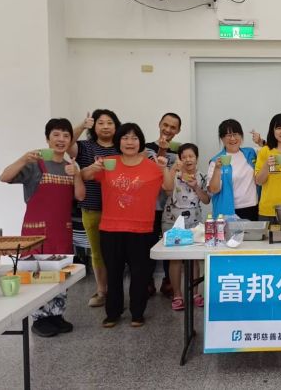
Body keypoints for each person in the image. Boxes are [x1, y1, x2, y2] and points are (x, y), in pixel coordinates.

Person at [0, 118, 86, 338]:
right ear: (47, 139)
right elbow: (4, 177)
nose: (61, 139)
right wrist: (23, 158)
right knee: (36, 274)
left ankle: (56, 315)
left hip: (62, 231)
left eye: (66, 135)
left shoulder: (69, 166)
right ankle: (40, 319)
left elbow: (80, 196)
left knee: (61, 273)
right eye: (56, 134)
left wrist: (76, 174)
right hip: (36, 233)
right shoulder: (34, 165)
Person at [81, 123, 172, 328]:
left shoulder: (151, 165)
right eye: (125, 138)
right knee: (113, 273)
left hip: (142, 229)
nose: (129, 142)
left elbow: (168, 187)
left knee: (140, 274)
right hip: (110, 228)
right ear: (118, 141)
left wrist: (164, 168)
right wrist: (93, 168)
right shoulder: (108, 163)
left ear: (140, 142)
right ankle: (113, 313)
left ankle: (137, 313)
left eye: (134, 138)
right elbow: (84, 176)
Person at [69, 109, 121, 308]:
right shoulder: (85, 146)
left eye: (110, 122)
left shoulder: (121, 147)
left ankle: (116, 291)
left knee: (116, 253)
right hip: (92, 208)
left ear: (116, 126)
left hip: (118, 210)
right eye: (101, 123)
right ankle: (101, 291)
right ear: (94, 126)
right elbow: (68, 145)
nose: (105, 126)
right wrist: (82, 126)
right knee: (97, 252)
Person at [162, 143, 209, 311]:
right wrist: (173, 169)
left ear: (197, 158)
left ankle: (195, 293)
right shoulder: (173, 174)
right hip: (172, 220)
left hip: (194, 222)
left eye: (191, 156)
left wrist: (195, 186)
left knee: (194, 259)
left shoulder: (202, 177)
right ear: (179, 159)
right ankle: (177, 295)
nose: (188, 160)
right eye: (184, 157)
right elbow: (167, 190)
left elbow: (206, 200)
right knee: (175, 259)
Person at [143, 112, 181, 298]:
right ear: (159, 124)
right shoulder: (146, 148)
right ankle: (147, 281)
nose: (168, 129)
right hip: (149, 206)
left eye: (173, 127)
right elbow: (153, 172)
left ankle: (169, 282)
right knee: (148, 245)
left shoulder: (180, 151)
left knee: (170, 245)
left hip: (172, 208)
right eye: (165, 125)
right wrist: (162, 150)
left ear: (178, 130)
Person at [208, 119, 259, 220]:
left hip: (253, 208)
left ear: (241, 135)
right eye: (228, 135)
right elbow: (213, 190)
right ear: (222, 138)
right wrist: (217, 169)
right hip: (228, 212)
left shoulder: (251, 153)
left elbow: (272, 150)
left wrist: (260, 141)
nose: (232, 138)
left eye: (235, 134)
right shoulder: (216, 161)